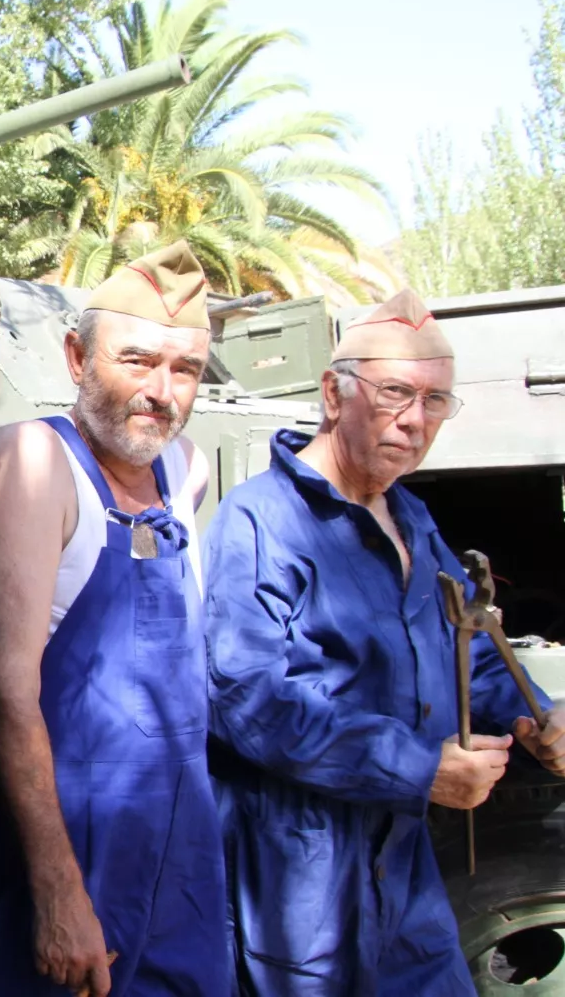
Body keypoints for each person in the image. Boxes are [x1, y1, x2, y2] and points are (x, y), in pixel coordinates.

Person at [203, 289, 565, 996]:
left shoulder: (412, 517)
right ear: (334, 395)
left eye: (435, 400)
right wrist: (417, 768)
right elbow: (247, 700)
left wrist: (536, 713)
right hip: (302, 876)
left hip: (405, 866)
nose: (415, 419)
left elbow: (468, 644)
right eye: (396, 392)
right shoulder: (260, 522)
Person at [0, 241, 229, 997]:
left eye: (185, 370)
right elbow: (8, 693)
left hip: (181, 854)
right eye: (138, 361)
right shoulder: (34, 463)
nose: (162, 390)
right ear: (77, 356)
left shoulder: (187, 473)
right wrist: (58, 890)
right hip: (73, 852)